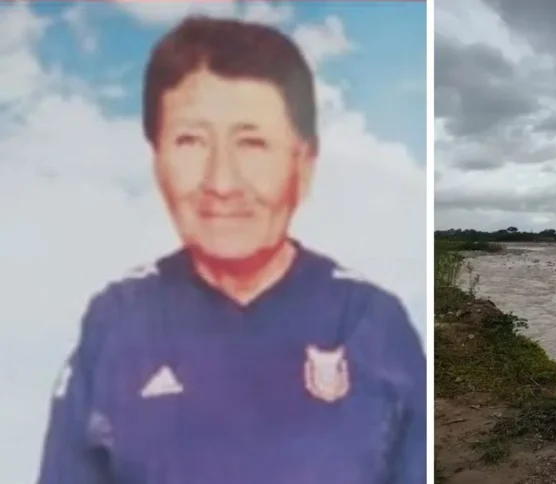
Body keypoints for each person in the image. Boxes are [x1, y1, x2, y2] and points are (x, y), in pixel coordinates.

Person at [36, 15, 426, 484]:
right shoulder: (117, 323)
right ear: (156, 159)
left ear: (303, 163)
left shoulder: (370, 322)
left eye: (252, 143)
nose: (221, 182)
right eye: (190, 141)